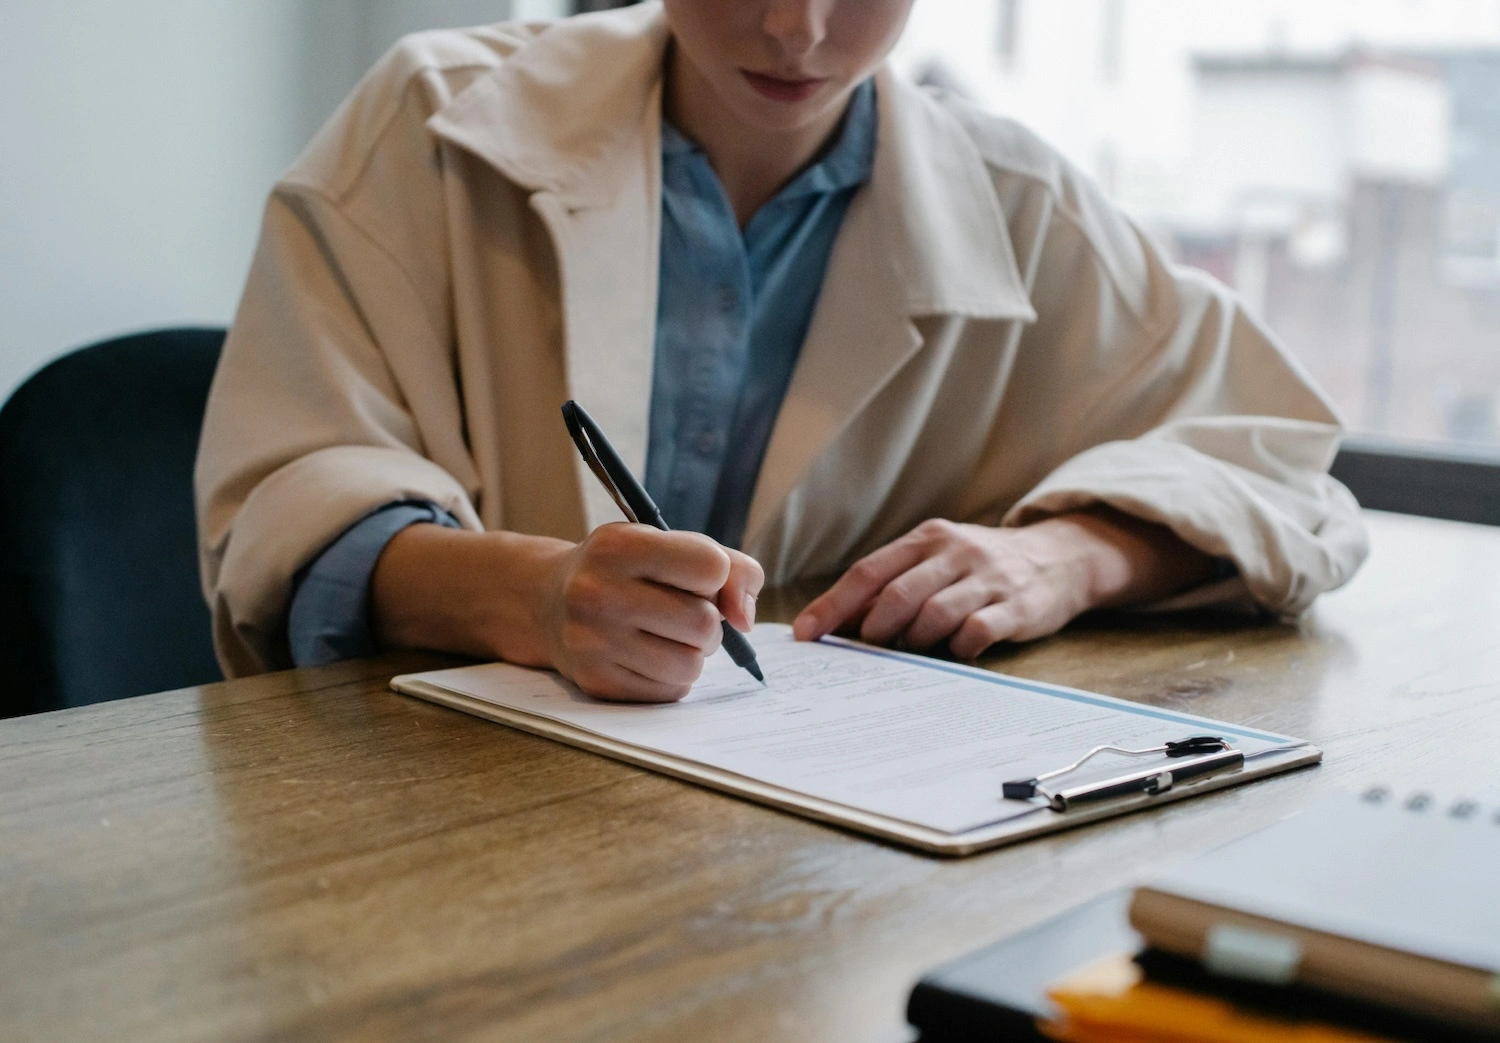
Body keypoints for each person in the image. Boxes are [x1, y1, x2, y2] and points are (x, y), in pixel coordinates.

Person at [195, 0, 1367, 701]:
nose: (799, 30)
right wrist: (537, 599)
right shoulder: (429, 121)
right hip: (442, 826)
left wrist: (1067, 556)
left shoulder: (1022, 208)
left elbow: (1285, 471)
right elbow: (290, 503)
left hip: (828, 857)